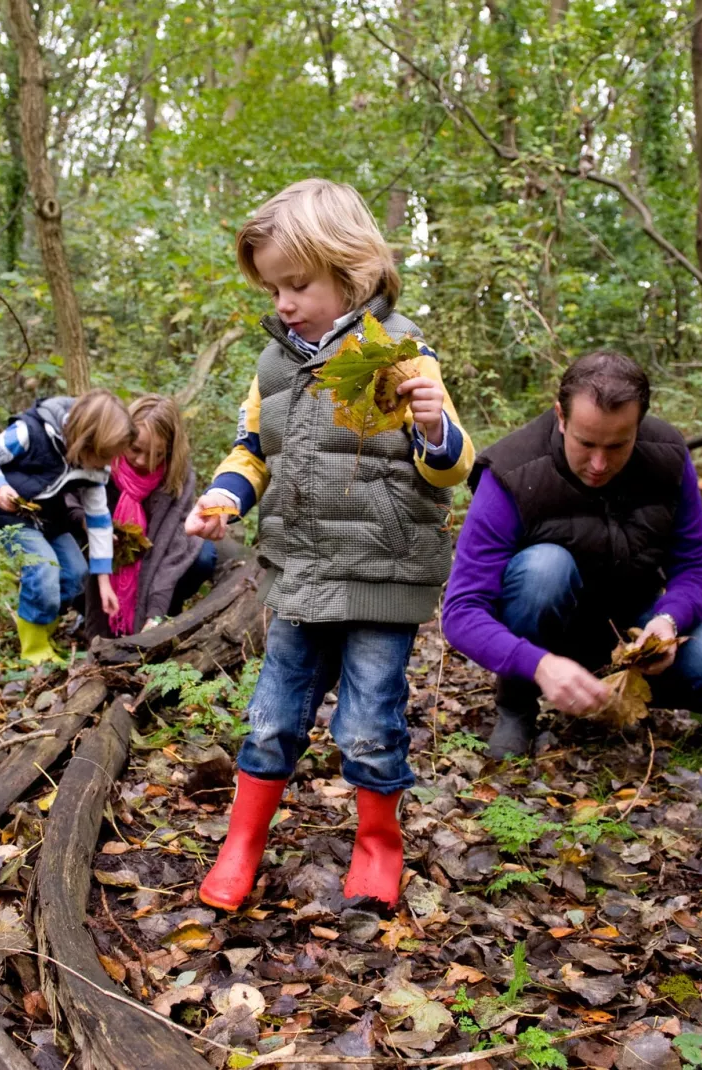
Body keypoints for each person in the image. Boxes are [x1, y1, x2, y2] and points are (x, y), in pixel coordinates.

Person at [184, 178, 475, 911]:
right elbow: (253, 449)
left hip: (384, 573)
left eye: (297, 284)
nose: (282, 302)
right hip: (302, 571)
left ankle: (379, 845)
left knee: (370, 721)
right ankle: (242, 840)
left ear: (351, 271)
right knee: (273, 714)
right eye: (273, 286)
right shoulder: (275, 365)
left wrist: (435, 424)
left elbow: (452, 467)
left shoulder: (400, 349)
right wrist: (223, 496)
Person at [442, 351, 702, 757]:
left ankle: (608, 691)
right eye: (585, 442)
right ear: (561, 417)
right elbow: (461, 611)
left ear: (639, 425)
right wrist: (537, 665)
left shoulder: (668, 457)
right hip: (546, 635)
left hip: (632, 627)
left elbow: (695, 566)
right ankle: (518, 708)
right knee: (544, 568)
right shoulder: (512, 472)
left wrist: (668, 620)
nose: (598, 463)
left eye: (617, 445)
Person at [0, 391, 134, 664]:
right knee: (43, 568)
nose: (106, 464)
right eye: (104, 456)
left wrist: (104, 580)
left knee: (76, 574)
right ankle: (34, 651)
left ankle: (42, 629)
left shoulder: (95, 467)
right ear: (85, 440)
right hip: (8, 513)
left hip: (47, 515)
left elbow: (98, 518)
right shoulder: (29, 433)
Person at [74, 393, 217, 642]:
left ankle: (159, 614)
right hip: (100, 552)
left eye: (156, 455)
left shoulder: (178, 476)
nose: (141, 461)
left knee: (204, 557)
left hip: (152, 556)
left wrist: (156, 611)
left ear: (170, 451)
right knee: (73, 563)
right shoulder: (100, 458)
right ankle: (85, 609)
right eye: (135, 449)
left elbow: (170, 548)